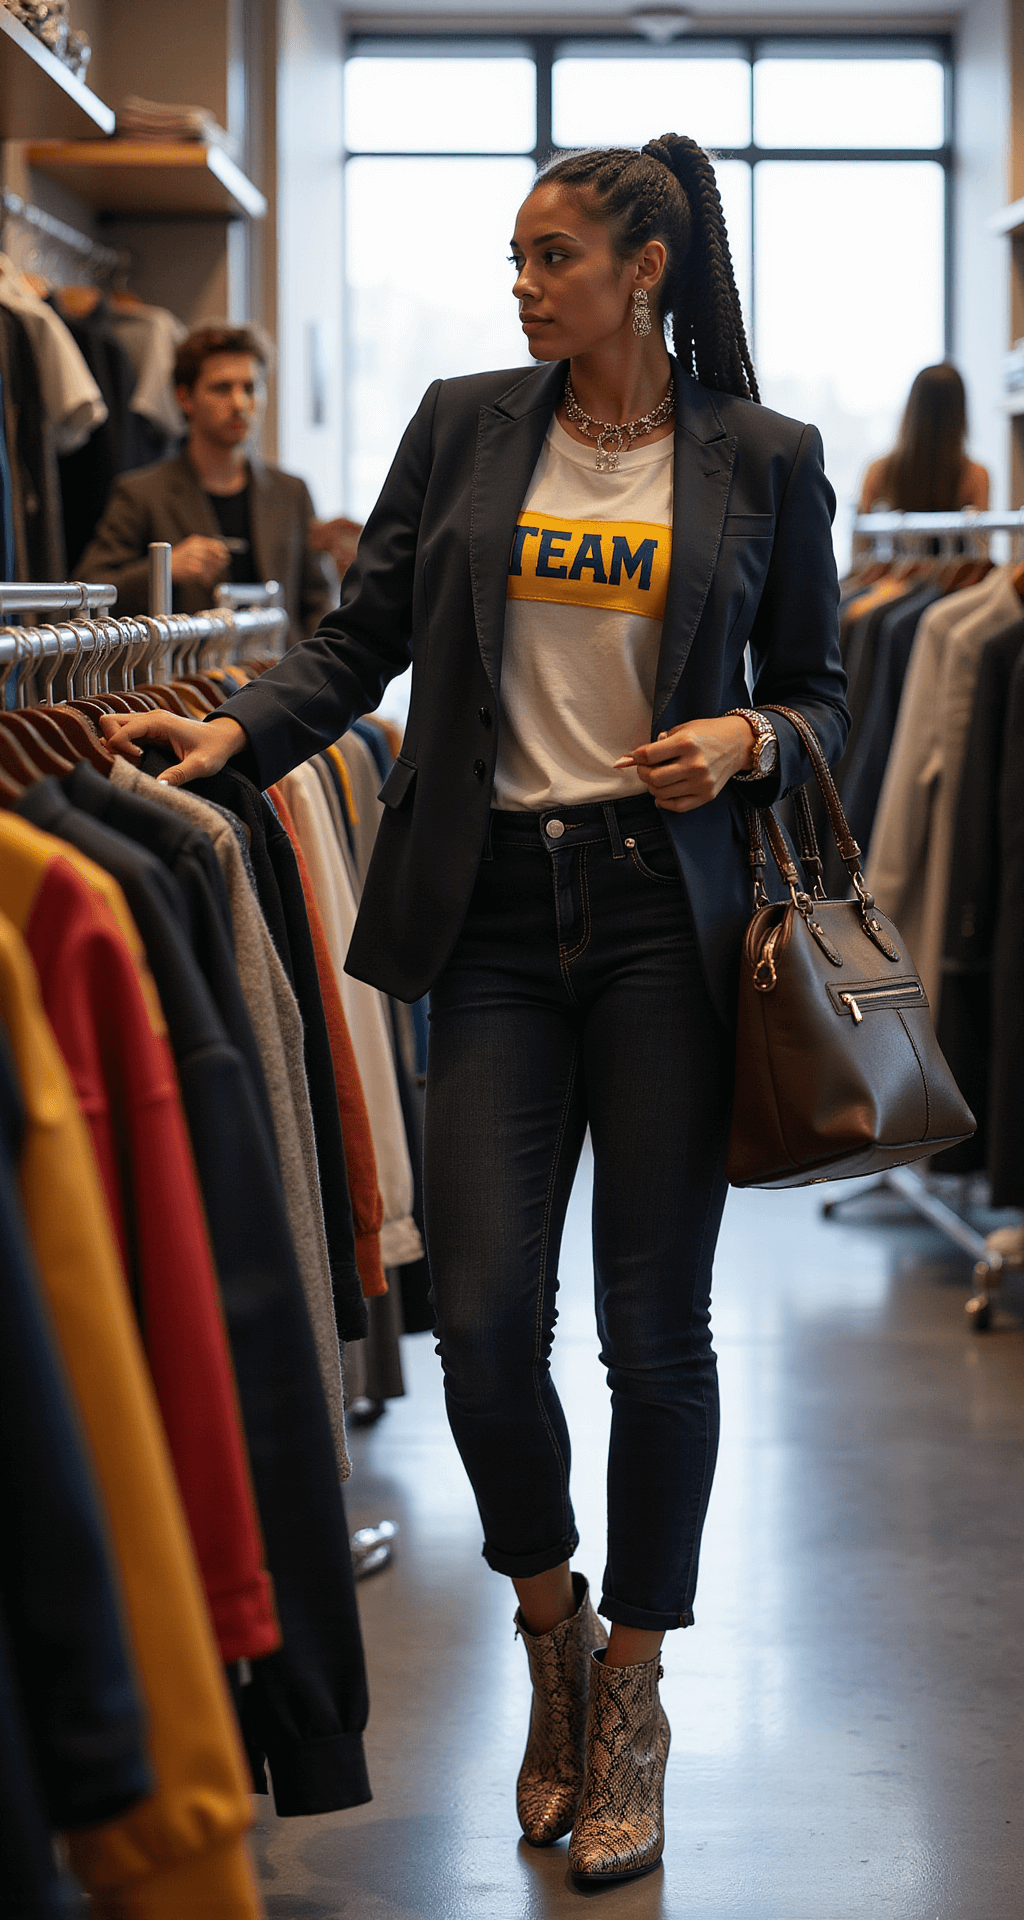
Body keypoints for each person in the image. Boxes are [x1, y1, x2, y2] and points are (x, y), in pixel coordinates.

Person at [100, 134, 848, 1885]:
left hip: (667, 918)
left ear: (641, 269)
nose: (519, 285)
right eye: (512, 257)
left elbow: (819, 691)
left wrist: (748, 739)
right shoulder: (464, 422)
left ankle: (635, 1688)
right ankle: (545, 1634)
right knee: (487, 1324)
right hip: (495, 914)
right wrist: (234, 741)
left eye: (549, 256)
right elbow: (361, 639)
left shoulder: (761, 458)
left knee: (651, 1336)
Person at [77, 324, 336, 640]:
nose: (240, 403)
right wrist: (164, 570)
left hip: (281, 678)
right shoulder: (141, 492)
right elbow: (91, 591)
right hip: (188, 684)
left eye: (251, 388)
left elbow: (318, 600)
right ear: (185, 398)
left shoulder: (292, 492)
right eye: (222, 388)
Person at [855, 361, 989, 553]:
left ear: (912, 408)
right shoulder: (975, 476)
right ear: (959, 413)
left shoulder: (878, 471)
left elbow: (861, 552)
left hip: (889, 581)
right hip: (957, 582)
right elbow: (980, 551)